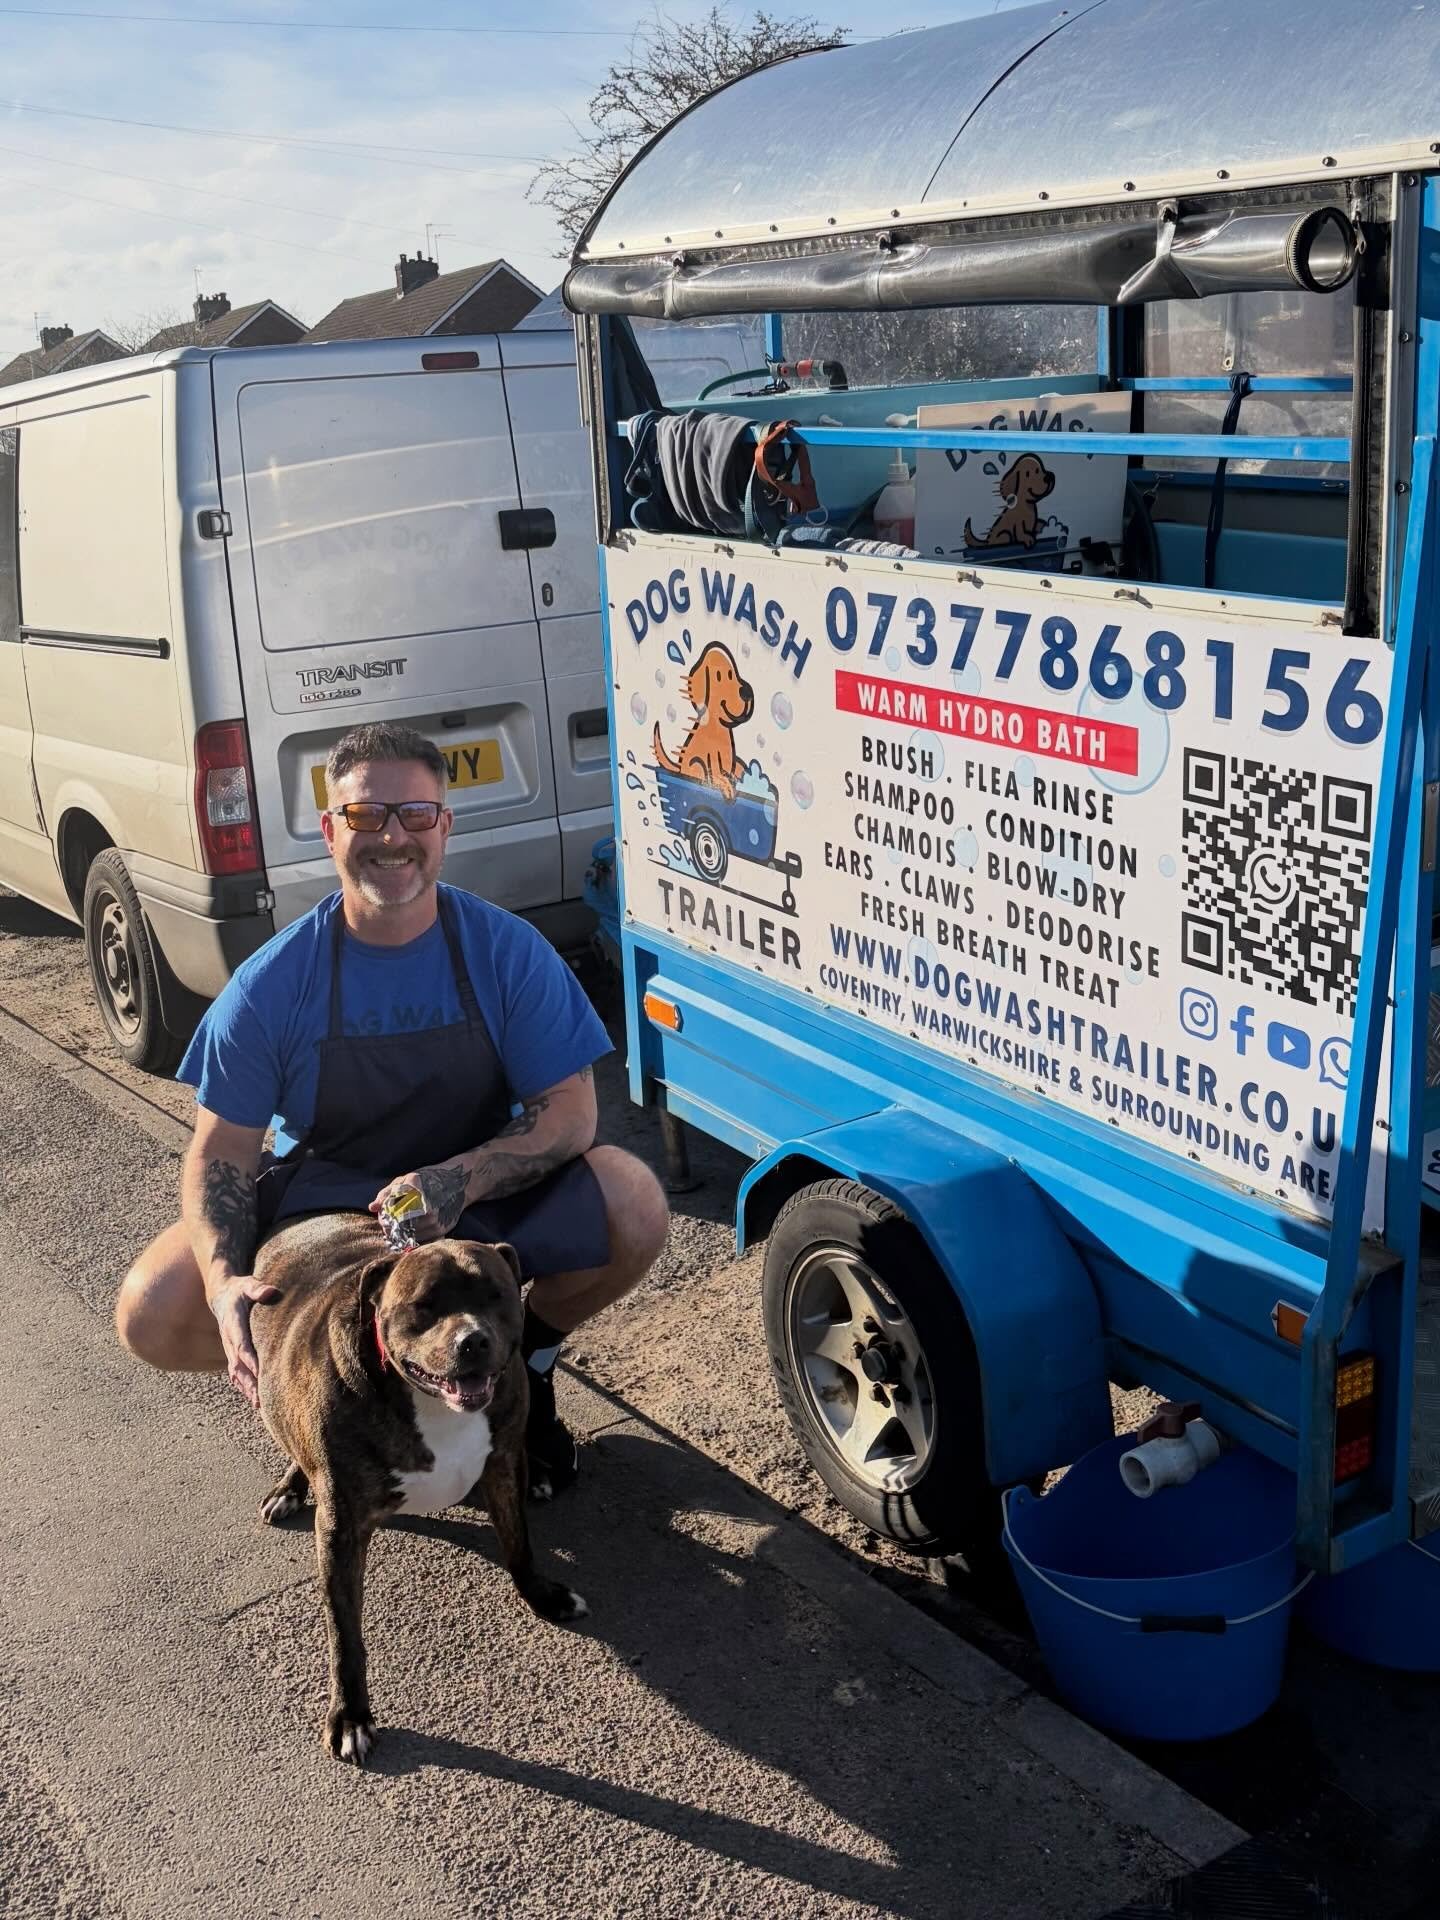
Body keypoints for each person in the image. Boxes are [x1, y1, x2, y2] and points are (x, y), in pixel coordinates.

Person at [114, 720, 669, 1492]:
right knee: (152, 1310)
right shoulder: (274, 982)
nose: (392, 837)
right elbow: (222, 1151)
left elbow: (571, 1114)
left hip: (475, 1191)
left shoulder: (505, 951)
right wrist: (222, 1285)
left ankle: (525, 1370)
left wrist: (461, 1179)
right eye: (366, 816)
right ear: (329, 830)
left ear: (444, 826)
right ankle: (319, 1398)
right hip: (325, 1210)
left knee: (634, 1201)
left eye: (414, 815)